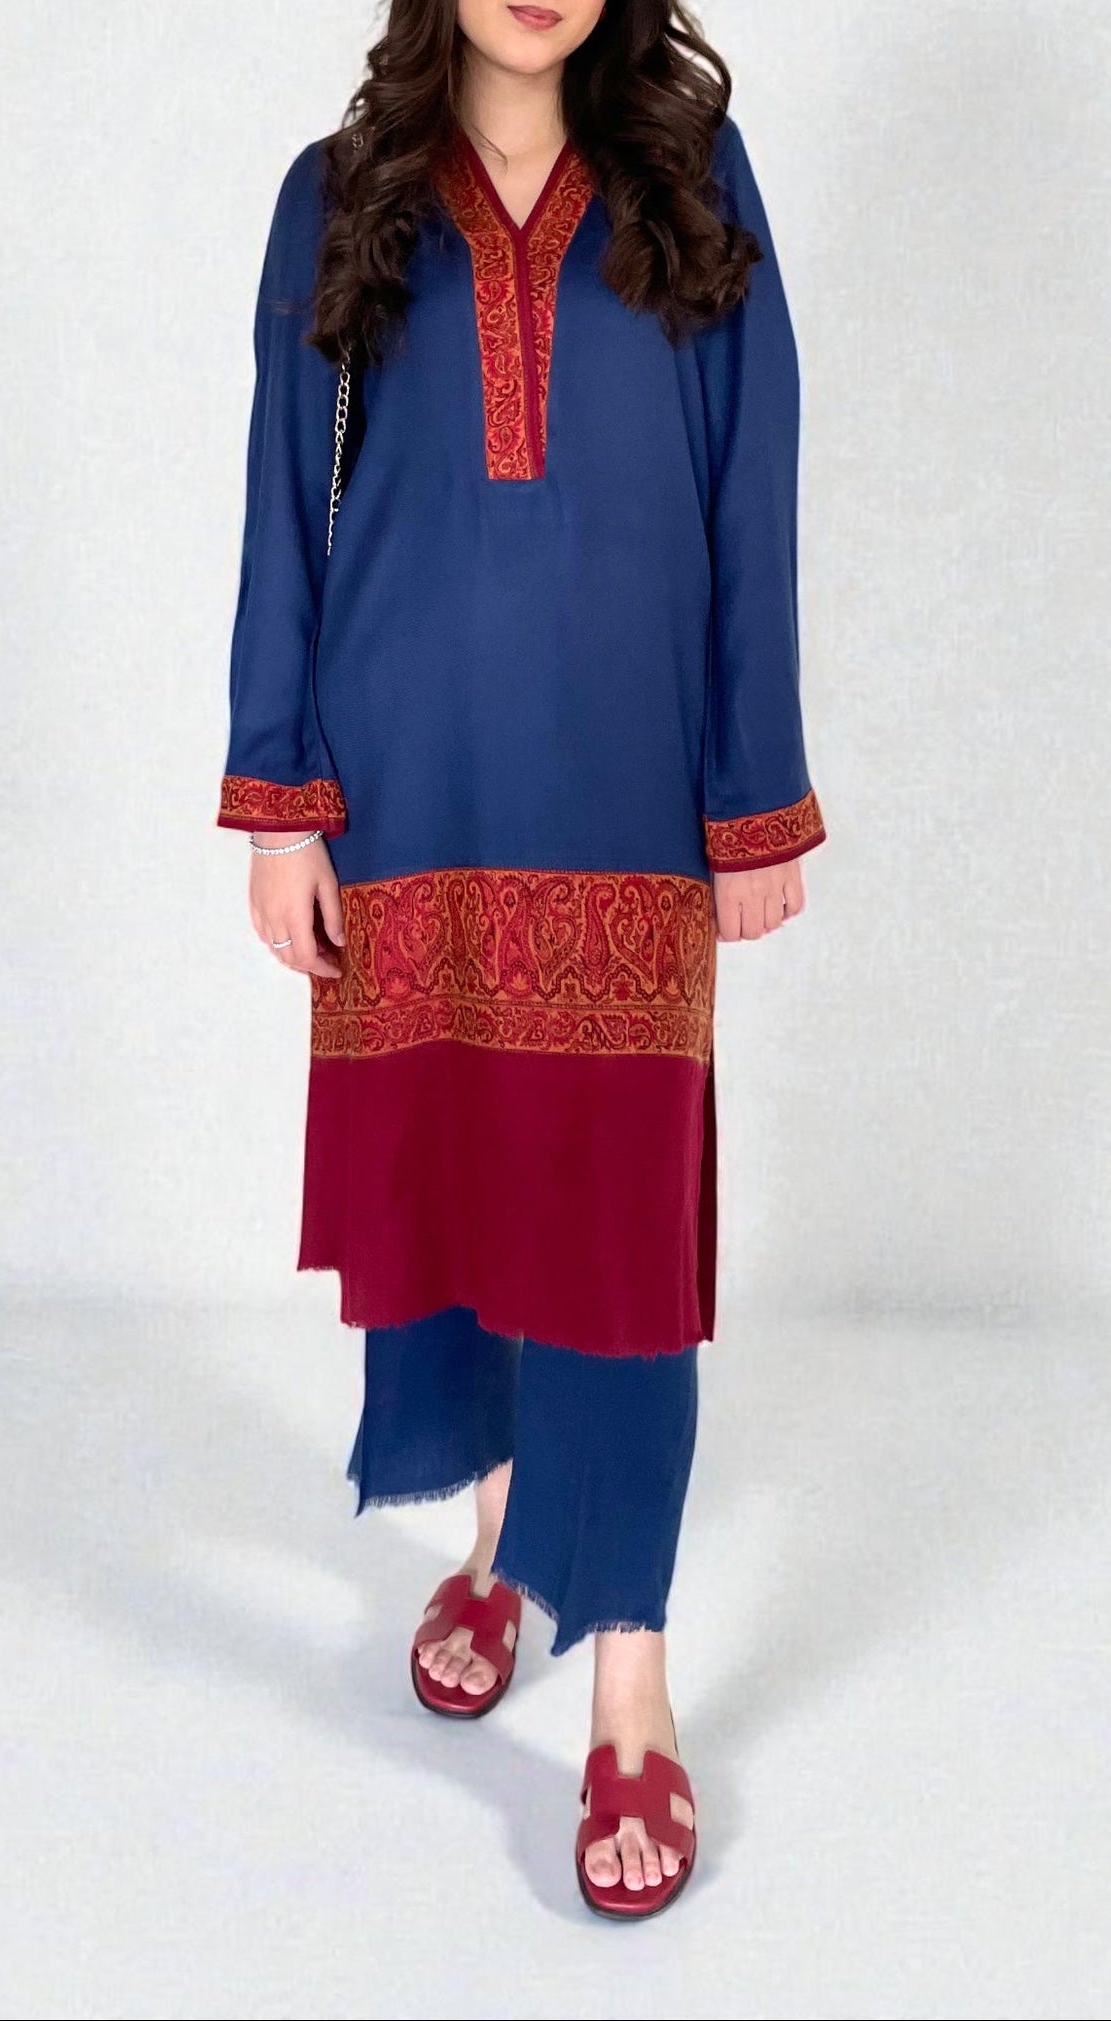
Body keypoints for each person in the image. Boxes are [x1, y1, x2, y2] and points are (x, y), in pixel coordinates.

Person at [218, 0, 820, 1920]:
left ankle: (629, 1682)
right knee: (462, 1180)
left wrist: (752, 794)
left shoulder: (693, 182)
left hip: (625, 785)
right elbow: (283, 512)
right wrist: (283, 801)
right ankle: (500, 1544)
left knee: (620, 1234)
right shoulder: (339, 198)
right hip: (409, 781)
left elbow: (750, 489)